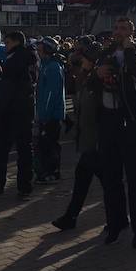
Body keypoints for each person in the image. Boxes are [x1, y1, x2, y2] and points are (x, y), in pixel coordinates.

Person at [97, 17, 136, 248]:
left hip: (130, 122)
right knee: (111, 177)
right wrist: (96, 73)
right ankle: (116, 222)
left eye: (123, 29)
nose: (118, 32)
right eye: (116, 28)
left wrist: (130, 51)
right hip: (108, 121)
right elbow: (90, 80)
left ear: (131, 32)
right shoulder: (106, 52)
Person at [52, 43, 105, 231]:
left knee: (108, 183)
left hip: (97, 142)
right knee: (85, 178)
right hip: (89, 140)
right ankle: (71, 217)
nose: (78, 65)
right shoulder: (85, 78)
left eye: (82, 61)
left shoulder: (98, 81)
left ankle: (118, 218)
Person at [0, 31, 38, 202]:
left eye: (7, 43)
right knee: (25, 150)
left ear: (15, 42)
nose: (5, 46)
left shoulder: (14, 61)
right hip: (26, 109)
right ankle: (25, 188)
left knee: (1, 152)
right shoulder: (31, 59)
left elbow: (7, 89)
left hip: (10, 111)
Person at [36, 36, 65, 183]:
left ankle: (52, 172)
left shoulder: (53, 67)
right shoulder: (45, 65)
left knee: (50, 145)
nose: (38, 51)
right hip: (46, 113)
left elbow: (51, 94)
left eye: (40, 49)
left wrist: (45, 115)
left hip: (51, 115)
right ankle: (45, 171)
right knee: (45, 145)